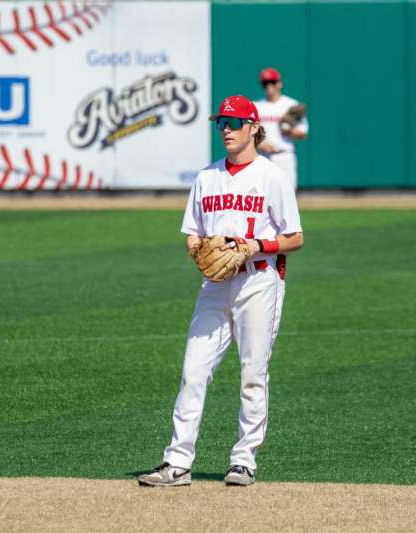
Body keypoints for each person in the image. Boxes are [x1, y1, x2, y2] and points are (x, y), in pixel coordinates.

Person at [137, 95, 304, 487]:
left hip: (258, 281)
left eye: (232, 123)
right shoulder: (206, 177)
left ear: (253, 127)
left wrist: (256, 246)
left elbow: (295, 238)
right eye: (220, 123)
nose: (225, 130)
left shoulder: (272, 177)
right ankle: (177, 462)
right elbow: (192, 232)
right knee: (193, 370)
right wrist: (197, 249)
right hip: (214, 285)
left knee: (252, 372)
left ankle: (243, 460)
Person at [254, 67, 308, 190]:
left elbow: (303, 133)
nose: (268, 86)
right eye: (265, 83)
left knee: (288, 197)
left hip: (284, 156)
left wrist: (290, 130)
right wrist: (259, 143)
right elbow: (247, 133)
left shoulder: (291, 104)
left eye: (272, 82)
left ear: (279, 83)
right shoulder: (256, 106)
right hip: (262, 157)